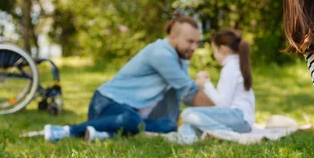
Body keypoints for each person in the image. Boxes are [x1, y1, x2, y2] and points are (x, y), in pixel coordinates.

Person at [43, 15, 215, 142]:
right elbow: (190, 92)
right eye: (190, 41)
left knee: (169, 125)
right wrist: (223, 113)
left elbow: (182, 97)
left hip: (134, 113)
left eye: (197, 42)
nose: (194, 47)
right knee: (131, 120)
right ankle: (66, 130)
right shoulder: (161, 53)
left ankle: (104, 134)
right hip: (105, 104)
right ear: (173, 37)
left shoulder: (181, 58)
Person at [174, 29, 255, 144]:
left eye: (214, 51)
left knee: (188, 113)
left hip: (238, 118)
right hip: (240, 119)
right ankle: (190, 140)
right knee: (188, 126)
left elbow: (223, 104)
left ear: (222, 49)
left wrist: (206, 84)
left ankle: (226, 134)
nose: (214, 56)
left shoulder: (230, 68)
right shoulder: (236, 65)